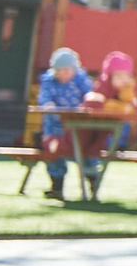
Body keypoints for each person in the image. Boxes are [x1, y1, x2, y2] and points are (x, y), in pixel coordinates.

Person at [34, 47, 96, 201]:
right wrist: (48, 105)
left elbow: (91, 97)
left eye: (66, 70)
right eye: (58, 70)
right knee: (53, 154)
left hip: (78, 127)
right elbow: (44, 98)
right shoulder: (48, 82)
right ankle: (57, 187)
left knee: (87, 154)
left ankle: (94, 184)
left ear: (74, 69)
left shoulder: (82, 81)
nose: (61, 74)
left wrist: (88, 106)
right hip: (53, 127)